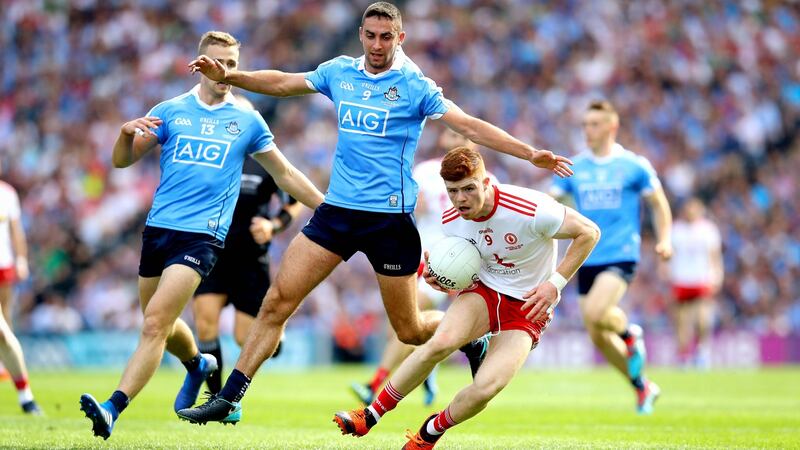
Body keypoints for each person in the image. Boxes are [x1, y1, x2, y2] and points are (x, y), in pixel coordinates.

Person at [178, 1, 572, 426]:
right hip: (337, 213)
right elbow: (283, 83)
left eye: (386, 37)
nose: (377, 44)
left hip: (389, 222)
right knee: (277, 303)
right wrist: (230, 76)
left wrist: (529, 153)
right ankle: (229, 398)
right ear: (361, 35)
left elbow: (469, 125)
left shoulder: (415, 85)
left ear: (400, 38)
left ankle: (469, 339)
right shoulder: (339, 72)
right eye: (370, 35)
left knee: (410, 331)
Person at [78, 31, 324, 440]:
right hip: (158, 231)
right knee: (158, 320)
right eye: (217, 62)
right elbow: (122, 161)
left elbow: (286, 174)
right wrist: (124, 134)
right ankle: (197, 365)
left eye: (231, 63)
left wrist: (330, 208)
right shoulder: (171, 111)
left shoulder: (246, 120)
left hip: (202, 238)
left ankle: (112, 407)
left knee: (154, 325)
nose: (224, 70)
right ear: (198, 64)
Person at [332, 146, 600, 448]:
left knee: (487, 387)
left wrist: (555, 284)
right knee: (439, 344)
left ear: (486, 183)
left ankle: (430, 432)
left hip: (527, 306)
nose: (460, 199)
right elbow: (467, 262)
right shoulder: (451, 218)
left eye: (469, 189)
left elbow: (589, 232)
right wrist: (441, 277)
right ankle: (370, 415)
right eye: (453, 191)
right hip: (484, 292)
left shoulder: (530, 209)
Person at [349, 129, 496, 407]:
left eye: (462, 137)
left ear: (473, 143)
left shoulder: (487, 181)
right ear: (443, 140)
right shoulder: (426, 172)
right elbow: (403, 206)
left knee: (411, 318)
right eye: (451, 135)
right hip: (418, 255)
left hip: (451, 264)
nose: (457, 141)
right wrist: (412, 204)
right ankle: (428, 373)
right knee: (401, 327)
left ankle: (374, 385)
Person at [550, 100, 673, 414]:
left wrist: (665, 239)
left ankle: (630, 333)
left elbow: (658, 203)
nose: (587, 130)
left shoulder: (634, 166)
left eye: (594, 124)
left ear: (611, 126)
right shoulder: (575, 166)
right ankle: (642, 386)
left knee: (596, 311)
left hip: (621, 253)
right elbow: (550, 202)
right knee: (597, 334)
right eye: (585, 124)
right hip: (585, 256)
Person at [192, 95, 303, 394]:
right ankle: (215, 397)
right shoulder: (209, 156)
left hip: (250, 258)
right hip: (212, 252)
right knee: (205, 324)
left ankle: (275, 337)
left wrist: (272, 225)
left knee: (246, 338)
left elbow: (294, 202)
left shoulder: (265, 159)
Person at [0, 161, 42, 416]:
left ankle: (26, 397)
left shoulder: (7, 193)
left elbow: (16, 231)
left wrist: (21, 259)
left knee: (4, 326)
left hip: (3, 264)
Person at [668, 197, 722, 369]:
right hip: (681, 279)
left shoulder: (708, 230)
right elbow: (668, 254)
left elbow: (715, 255)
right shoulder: (676, 230)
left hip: (702, 279)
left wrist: (718, 275)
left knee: (702, 319)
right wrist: (666, 270)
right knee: (682, 321)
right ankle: (683, 354)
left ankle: (702, 352)